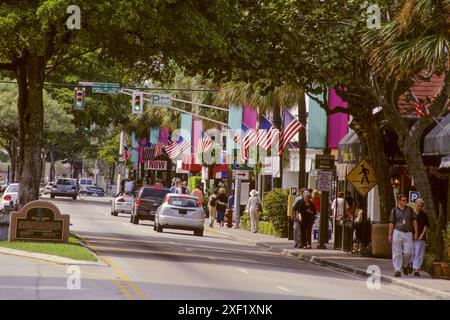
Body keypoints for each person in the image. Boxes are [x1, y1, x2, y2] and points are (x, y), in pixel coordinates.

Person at [388, 194, 418, 277]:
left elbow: (414, 221)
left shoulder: (410, 210)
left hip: (408, 233)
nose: (405, 202)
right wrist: (390, 235)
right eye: (403, 200)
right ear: (399, 201)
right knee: (397, 252)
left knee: (408, 252)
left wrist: (416, 232)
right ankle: (397, 270)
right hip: (397, 232)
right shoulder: (394, 210)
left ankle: (405, 265)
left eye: (406, 200)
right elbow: (391, 223)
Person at [411, 198, 430, 277]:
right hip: (411, 235)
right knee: (411, 252)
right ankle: (410, 264)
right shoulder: (411, 214)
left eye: (421, 206)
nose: (419, 207)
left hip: (420, 237)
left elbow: (426, 225)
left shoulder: (424, 214)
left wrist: (422, 234)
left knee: (419, 253)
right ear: (415, 205)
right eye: (418, 205)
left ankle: (416, 269)